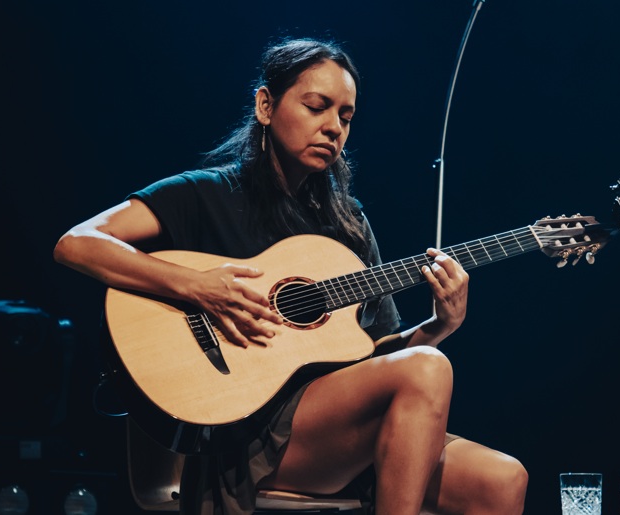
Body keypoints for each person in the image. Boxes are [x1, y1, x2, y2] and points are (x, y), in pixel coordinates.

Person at [54, 37, 528, 515]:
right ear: (265, 105)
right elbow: (77, 243)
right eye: (317, 106)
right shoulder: (206, 195)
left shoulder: (348, 226)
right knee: (430, 366)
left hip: (335, 433)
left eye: (345, 117)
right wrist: (197, 285)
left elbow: (381, 359)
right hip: (245, 434)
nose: (332, 128)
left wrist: (440, 325)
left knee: (503, 479)